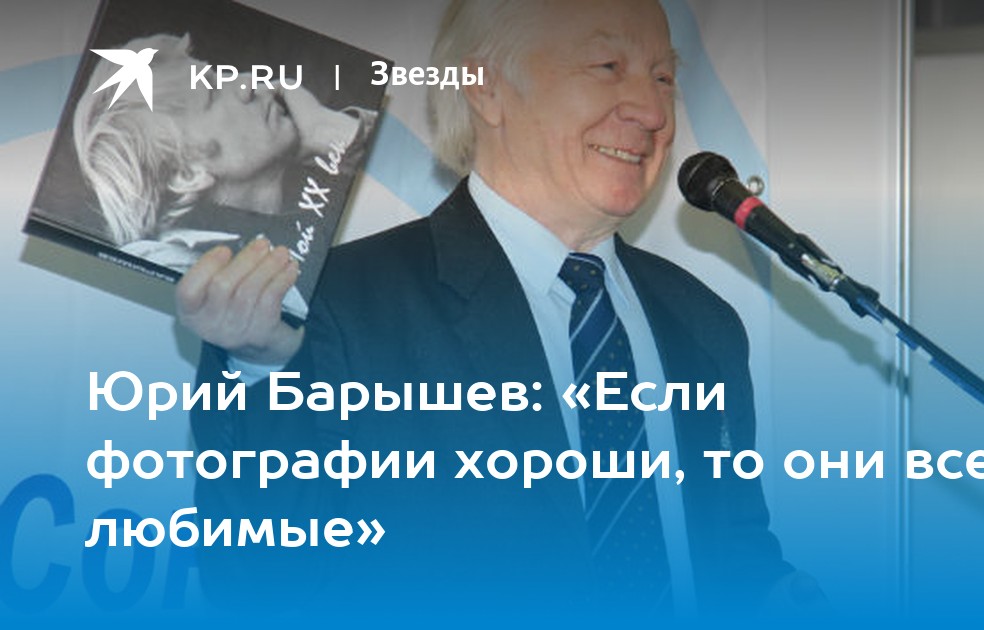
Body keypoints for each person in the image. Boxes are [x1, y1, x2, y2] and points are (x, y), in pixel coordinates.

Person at [180, 0, 819, 619]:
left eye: (663, 78)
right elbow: (257, 584)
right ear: (486, 89)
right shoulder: (339, 308)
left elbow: (734, 555)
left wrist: (778, 598)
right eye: (607, 67)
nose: (653, 112)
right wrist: (260, 369)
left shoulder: (703, 323)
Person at [74, 32, 375, 316]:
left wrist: (336, 135)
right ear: (187, 173)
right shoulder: (165, 267)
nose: (248, 82)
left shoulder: (309, 212)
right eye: (214, 93)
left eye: (220, 75)